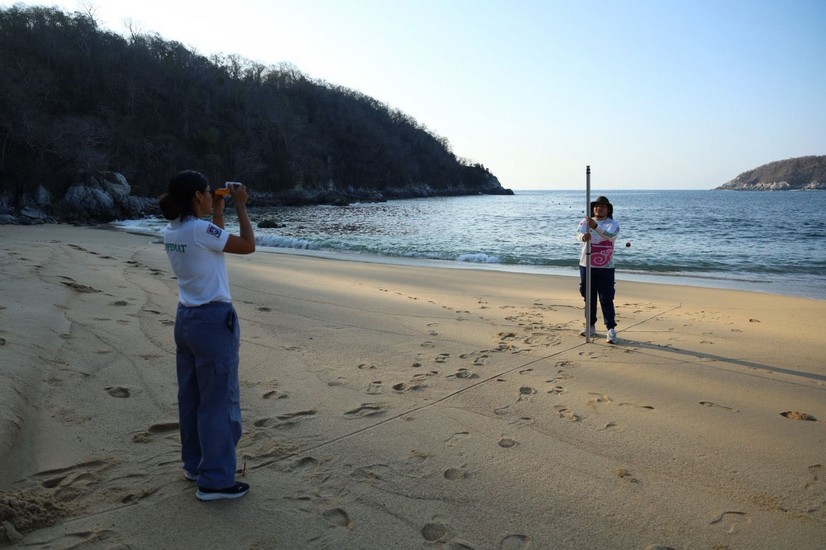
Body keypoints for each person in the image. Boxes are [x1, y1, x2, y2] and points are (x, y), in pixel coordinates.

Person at [158, 170, 256, 501]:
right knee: (218, 401)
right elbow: (247, 246)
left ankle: (195, 465)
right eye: (207, 192)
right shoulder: (199, 231)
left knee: (192, 398)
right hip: (213, 321)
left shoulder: (173, 230)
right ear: (198, 196)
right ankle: (215, 481)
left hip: (186, 319)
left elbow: (213, 242)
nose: (211, 195)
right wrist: (240, 205)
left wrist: (217, 211)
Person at [576, 195, 620, 344]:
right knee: (588, 297)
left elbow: (608, 236)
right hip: (586, 265)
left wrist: (595, 226)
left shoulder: (613, 224)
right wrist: (583, 237)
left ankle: (611, 329)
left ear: (608, 210)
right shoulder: (585, 221)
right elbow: (577, 234)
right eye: (596, 206)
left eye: (602, 206)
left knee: (606, 298)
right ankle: (590, 325)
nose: (598, 208)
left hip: (605, 267)